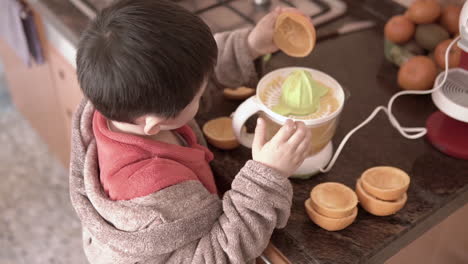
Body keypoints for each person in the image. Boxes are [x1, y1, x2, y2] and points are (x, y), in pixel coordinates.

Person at [69, 0, 312, 263]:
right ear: (154, 123)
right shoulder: (162, 195)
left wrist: (250, 45)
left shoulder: (114, 100)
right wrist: (266, 178)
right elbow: (218, 254)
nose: (204, 87)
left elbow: (181, 75)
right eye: (197, 95)